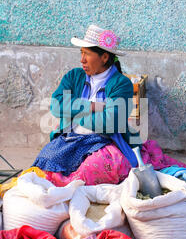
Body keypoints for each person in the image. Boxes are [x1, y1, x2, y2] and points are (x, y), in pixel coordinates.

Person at [32, 24, 142, 186]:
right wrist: (92, 106)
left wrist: (73, 112)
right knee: (44, 166)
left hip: (103, 142)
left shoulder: (121, 84)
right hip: (70, 139)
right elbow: (56, 106)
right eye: (81, 53)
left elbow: (111, 123)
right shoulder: (73, 76)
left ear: (104, 57)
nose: (82, 59)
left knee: (91, 170)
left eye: (87, 54)